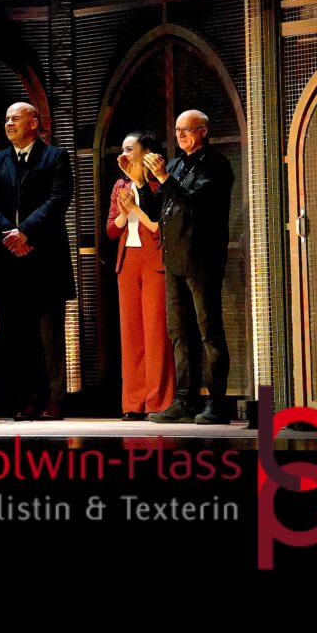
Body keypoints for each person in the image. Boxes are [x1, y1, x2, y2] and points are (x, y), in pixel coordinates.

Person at [0, 102, 74, 420]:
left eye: (15, 119)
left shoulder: (55, 157)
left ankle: (54, 399)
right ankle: (25, 399)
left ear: (33, 123)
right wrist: (10, 233)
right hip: (9, 259)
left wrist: (26, 232)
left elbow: (58, 199)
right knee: (16, 335)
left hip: (45, 257)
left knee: (49, 335)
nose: (8, 124)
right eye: (6, 119)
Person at [148, 110, 238, 425]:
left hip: (201, 259)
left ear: (204, 131)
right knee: (178, 332)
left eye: (187, 129)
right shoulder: (174, 165)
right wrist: (140, 181)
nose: (181, 135)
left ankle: (216, 402)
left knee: (209, 331)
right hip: (173, 259)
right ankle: (185, 400)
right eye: (177, 130)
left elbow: (196, 204)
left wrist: (164, 179)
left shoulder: (217, 165)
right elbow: (156, 209)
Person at [109, 131, 173, 421]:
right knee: (131, 335)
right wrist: (124, 213)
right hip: (128, 262)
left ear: (146, 153)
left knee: (156, 333)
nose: (124, 155)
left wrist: (136, 204)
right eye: (123, 149)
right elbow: (111, 230)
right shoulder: (120, 185)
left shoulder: (160, 183)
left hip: (154, 261)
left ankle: (157, 401)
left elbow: (158, 225)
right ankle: (133, 402)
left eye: (129, 149)